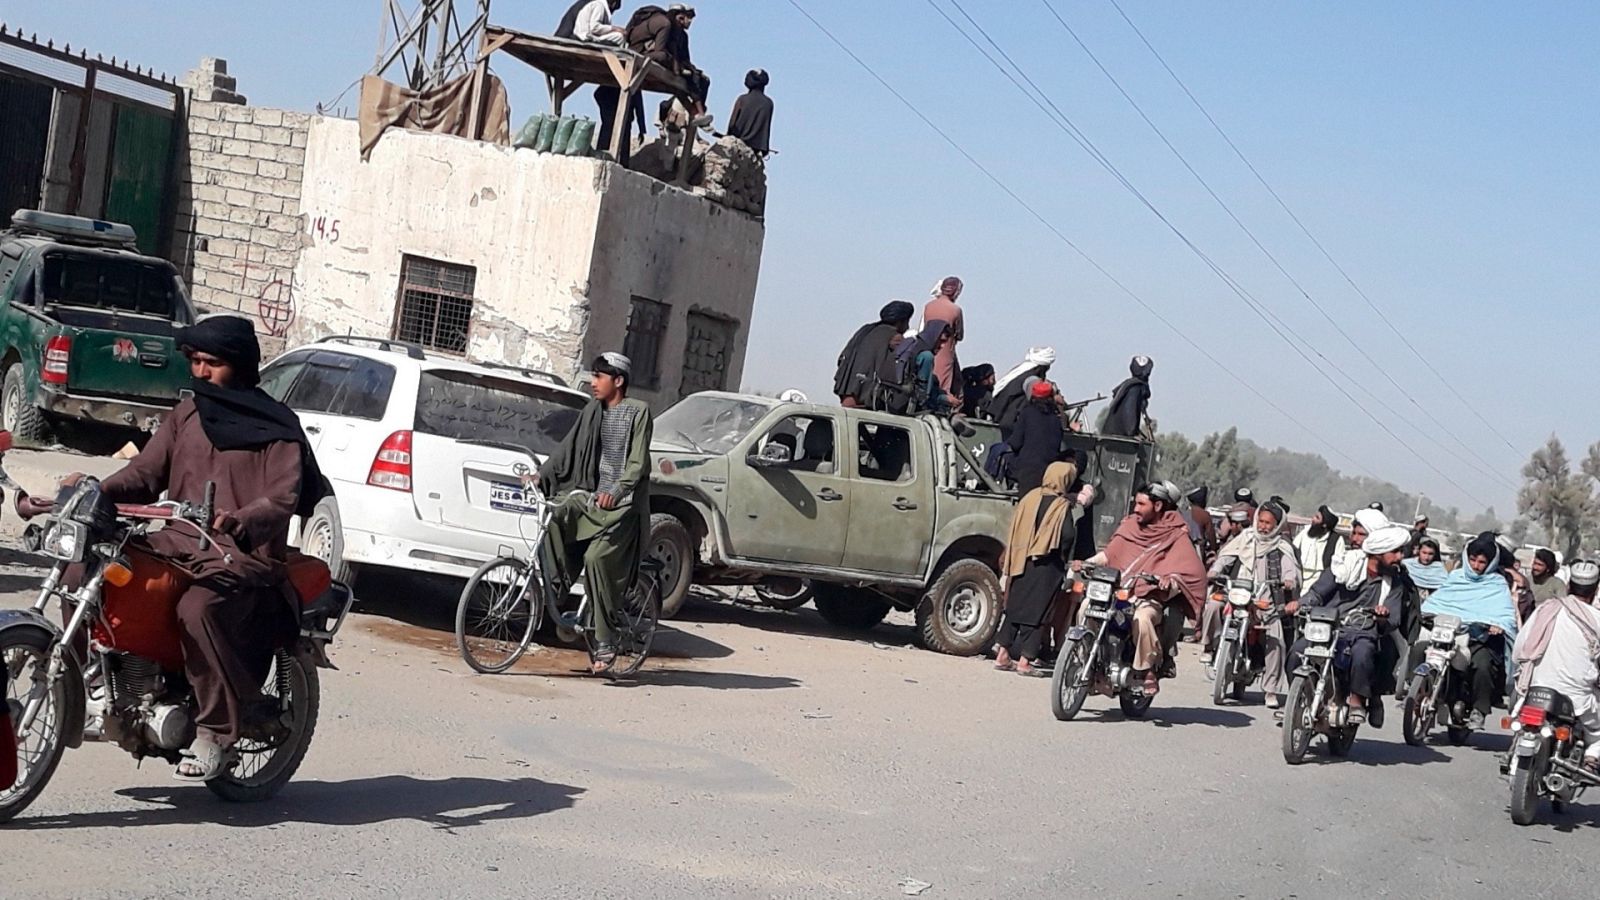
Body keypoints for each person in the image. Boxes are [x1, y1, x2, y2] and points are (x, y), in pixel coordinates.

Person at [87, 316, 322, 780]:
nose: (200, 371)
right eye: (194, 361)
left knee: (199, 610)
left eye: (211, 363)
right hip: (172, 542)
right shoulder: (187, 415)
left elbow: (282, 498)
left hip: (241, 557)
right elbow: (145, 474)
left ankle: (215, 731)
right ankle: (100, 681)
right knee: (88, 575)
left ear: (239, 364)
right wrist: (99, 492)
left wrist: (242, 519)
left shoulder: (278, 428)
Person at [533, 353, 653, 674]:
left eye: (599, 377)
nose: (592, 382)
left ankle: (606, 641)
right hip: (593, 500)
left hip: (623, 508)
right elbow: (566, 450)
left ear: (618, 381)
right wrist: (541, 476)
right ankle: (556, 591)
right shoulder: (592, 411)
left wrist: (616, 492)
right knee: (560, 512)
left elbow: (638, 463)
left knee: (596, 560)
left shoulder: (638, 413)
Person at [1077, 481, 1208, 696]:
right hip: (1118, 592)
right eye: (1135, 503)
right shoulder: (1129, 525)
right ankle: (1089, 659)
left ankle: (1146, 671)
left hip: (1149, 597)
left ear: (1157, 506)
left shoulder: (1176, 534)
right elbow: (1110, 554)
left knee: (1143, 618)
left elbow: (1188, 569)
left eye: (1141, 504)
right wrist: (1086, 563)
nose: (1136, 509)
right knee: (1085, 607)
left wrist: (1170, 580)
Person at [1288, 524, 1413, 726]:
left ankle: (1357, 700)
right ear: (1378, 553)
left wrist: (1381, 616)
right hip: (1328, 628)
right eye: (1395, 552)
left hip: (1363, 633)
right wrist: (1298, 604)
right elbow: (1317, 593)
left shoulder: (1394, 583)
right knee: (1297, 652)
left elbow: (1392, 620)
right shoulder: (1343, 566)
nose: (1399, 557)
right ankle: (1299, 699)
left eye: (1401, 552)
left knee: (1363, 653)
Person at [1407, 533, 1520, 729]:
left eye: (1482, 562)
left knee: (1482, 665)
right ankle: (1415, 692)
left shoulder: (1496, 583)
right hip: (1449, 634)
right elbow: (1439, 600)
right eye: (1473, 560)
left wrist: (1496, 625)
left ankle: (1479, 710)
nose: (1476, 566)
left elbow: (1505, 615)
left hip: (1478, 639)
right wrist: (1426, 614)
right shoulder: (1456, 577)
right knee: (1419, 649)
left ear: (1491, 563)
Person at [1203, 498, 1300, 707]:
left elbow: (1290, 568)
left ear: (1276, 526)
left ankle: (1271, 689)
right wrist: (1215, 571)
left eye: (1268, 523)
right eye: (1261, 521)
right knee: (1213, 606)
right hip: (1238, 591)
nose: (1263, 527)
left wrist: (1289, 580)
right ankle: (1209, 648)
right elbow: (1226, 557)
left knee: (1275, 638)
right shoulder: (1245, 538)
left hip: (1265, 598)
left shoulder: (1282, 547)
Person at [1512, 559, 1600, 775]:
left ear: (1569, 585)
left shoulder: (1546, 610)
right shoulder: (1597, 619)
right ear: (1596, 588)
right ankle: (1591, 758)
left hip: (1535, 689)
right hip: (1577, 698)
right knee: (1596, 732)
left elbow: (1519, 650)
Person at [995, 461, 1083, 675]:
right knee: (1039, 613)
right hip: (1047, 566)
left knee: (1014, 608)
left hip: (1021, 560)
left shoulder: (1030, 497)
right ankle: (1025, 661)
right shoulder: (1062, 506)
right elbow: (1066, 536)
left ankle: (1002, 654)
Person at [627, 5, 711, 122]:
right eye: (689, 17)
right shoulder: (664, 23)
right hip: (641, 53)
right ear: (680, 16)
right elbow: (660, 50)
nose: (690, 21)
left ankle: (697, 113)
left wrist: (688, 68)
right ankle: (694, 112)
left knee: (701, 79)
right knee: (668, 62)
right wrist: (677, 66)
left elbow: (685, 58)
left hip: (665, 59)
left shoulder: (683, 35)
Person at [833, 301, 915, 408]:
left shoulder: (866, 329)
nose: (908, 327)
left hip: (847, 390)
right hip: (866, 397)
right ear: (900, 322)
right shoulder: (895, 337)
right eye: (907, 322)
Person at [1006, 380, 1065, 496]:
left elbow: (1015, 443)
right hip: (1049, 472)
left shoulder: (1026, 413)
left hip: (1029, 471)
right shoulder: (1056, 419)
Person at [921, 276, 965, 410]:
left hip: (927, 343)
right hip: (946, 350)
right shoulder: (955, 310)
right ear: (956, 291)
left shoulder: (928, 306)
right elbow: (960, 335)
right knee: (946, 380)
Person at [989, 347, 1055, 434]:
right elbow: (1039, 402)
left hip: (1004, 419)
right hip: (1012, 424)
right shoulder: (1031, 379)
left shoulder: (1020, 374)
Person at [894, 321, 952, 416]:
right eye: (941, 340)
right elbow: (923, 394)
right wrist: (945, 399)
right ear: (933, 337)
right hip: (909, 407)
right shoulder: (926, 356)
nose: (942, 346)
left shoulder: (913, 344)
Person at [1294, 505, 1347, 588]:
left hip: (1320, 584)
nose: (1313, 519)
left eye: (1317, 518)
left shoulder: (1336, 540)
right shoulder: (1305, 532)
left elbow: (1338, 566)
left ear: (1324, 524)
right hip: (1298, 578)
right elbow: (1293, 550)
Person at [1101, 355, 1153, 438]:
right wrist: (1132, 433)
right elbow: (1129, 414)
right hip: (1120, 442)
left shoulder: (1127, 386)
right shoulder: (1135, 389)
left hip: (1112, 437)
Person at [726, 69, 774, 157]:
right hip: (756, 150)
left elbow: (732, 125)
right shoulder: (769, 103)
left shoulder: (742, 99)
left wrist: (728, 138)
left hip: (739, 144)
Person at [557, 0, 625, 45]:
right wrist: (614, 28)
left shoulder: (588, 3)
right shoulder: (599, 5)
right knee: (619, 37)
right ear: (613, 4)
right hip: (575, 37)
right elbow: (594, 28)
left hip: (571, 35)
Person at [1184, 486, 1219, 564]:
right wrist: (1214, 549)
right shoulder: (1204, 514)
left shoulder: (1184, 512)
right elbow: (1210, 534)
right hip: (1197, 548)